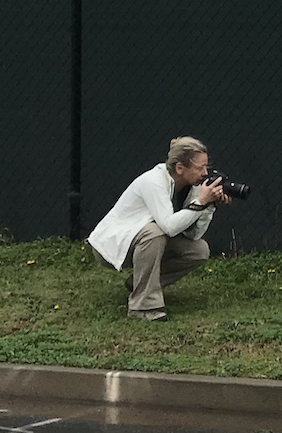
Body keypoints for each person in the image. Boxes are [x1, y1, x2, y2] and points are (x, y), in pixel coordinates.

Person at [86, 136, 230, 321]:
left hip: (139, 241)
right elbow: (169, 227)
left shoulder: (191, 186)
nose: (205, 173)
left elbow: (193, 235)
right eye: (200, 168)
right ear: (180, 168)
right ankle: (142, 307)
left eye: (206, 167)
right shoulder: (153, 181)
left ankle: (139, 283)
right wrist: (201, 201)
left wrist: (208, 205)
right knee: (154, 233)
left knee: (198, 250)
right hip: (111, 246)